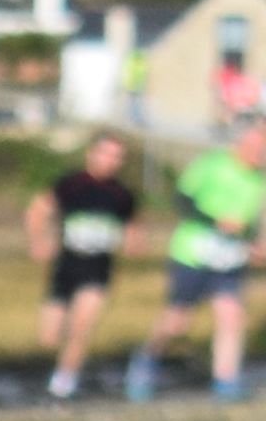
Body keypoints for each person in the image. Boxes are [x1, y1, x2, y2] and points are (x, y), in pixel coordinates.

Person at [129, 132, 261, 401]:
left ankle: (225, 381)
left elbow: (251, 221)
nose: (260, 155)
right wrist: (215, 221)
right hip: (193, 254)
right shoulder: (212, 164)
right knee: (178, 321)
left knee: (231, 315)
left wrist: (255, 242)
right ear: (243, 144)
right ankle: (146, 360)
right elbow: (182, 201)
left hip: (230, 258)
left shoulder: (260, 180)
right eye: (258, 147)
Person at [27, 129, 140, 397]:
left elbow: (133, 225)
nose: (110, 161)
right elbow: (38, 210)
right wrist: (39, 241)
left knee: (82, 327)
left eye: (117, 156)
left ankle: (62, 386)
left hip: (98, 268)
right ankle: (48, 373)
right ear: (92, 154)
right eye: (106, 154)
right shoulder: (71, 184)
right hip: (66, 266)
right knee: (49, 338)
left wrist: (133, 242)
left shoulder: (122, 194)